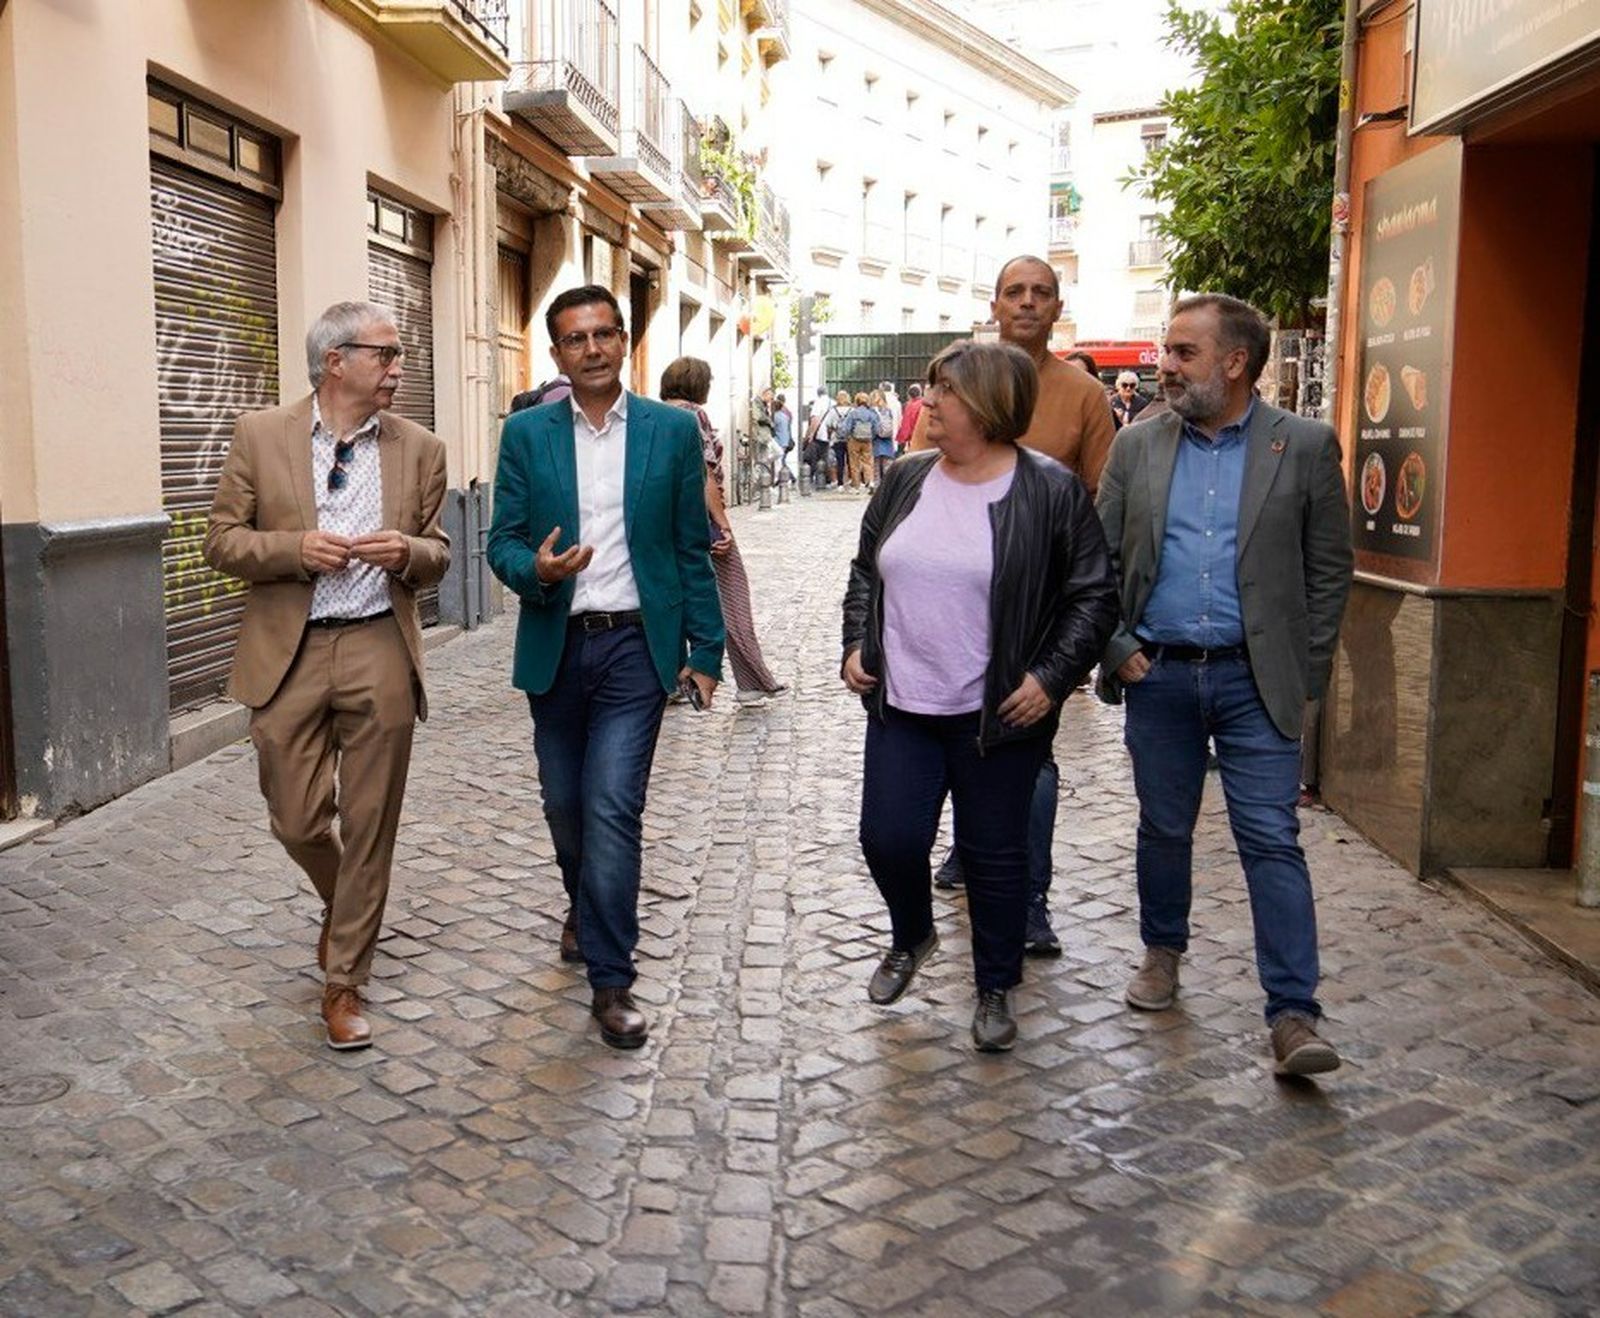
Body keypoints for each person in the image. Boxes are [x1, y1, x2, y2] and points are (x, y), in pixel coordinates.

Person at [1095, 293, 1353, 1077]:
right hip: (1160, 675)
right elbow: (1096, 562)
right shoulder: (1136, 447)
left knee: (1271, 837)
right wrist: (1117, 647)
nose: (1164, 366)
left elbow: (1328, 570)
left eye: (1183, 352)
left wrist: (1304, 674)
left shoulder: (1303, 446)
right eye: (1166, 351)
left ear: (1235, 363)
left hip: (1256, 681)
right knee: (1164, 827)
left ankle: (1293, 1014)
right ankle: (1161, 953)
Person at [842, 340, 1118, 1051]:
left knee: (994, 855)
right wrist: (855, 643)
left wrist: (1049, 678)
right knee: (887, 839)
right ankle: (913, 935)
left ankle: (995, 986)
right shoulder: (906, 479)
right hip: (903, 704)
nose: (928, 402)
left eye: (946, 392)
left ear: (990, 407)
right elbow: (867, 570)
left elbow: (1093, 596)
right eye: (932, 388)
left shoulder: (1050, 490)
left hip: (996, 714)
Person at [204, 301, 450, 1051]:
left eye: (398, 355)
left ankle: (344, 980)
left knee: (370, 822)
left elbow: (439, 552)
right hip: (290, 649)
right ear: (336, 360)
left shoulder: (421, 448)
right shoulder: (260, 435)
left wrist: (406, 552)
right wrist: (294, 550)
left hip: (379, 643)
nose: (398, 367)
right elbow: (221, 541)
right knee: (298, 819)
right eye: (385, 354)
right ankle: (346, 908)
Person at [486, 284, 724, 1050]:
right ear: (557, 353)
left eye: (604, 334)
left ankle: (612, 979)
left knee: (613, 806)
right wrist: (537, 570)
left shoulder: (669, 431)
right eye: (575, 338)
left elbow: (689, 546)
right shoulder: (527, 434)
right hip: (557, 645)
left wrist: (707, 650)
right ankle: (583, 904)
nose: (591, 349)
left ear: (624, 342)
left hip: (633, 648)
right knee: (566, 806)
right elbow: (501, 541)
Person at [912, 256, 1118, 954]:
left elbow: (1103, 497)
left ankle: (1029, 898)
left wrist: (1084, 618)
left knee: (1031, 756)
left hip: (1036, 613)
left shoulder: (1083, 395)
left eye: (1041, 293)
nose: (1027, 302)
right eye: (1015, 292)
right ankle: (969, 844)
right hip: (948, 607)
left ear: (1058, 308)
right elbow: (915, 478)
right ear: (995, 305)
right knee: (948, 736)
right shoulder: (955, 378)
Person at [661, 355, 786, 706]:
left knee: (672, 599)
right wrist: (722, 524)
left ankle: (670, 680)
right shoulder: (693, 415)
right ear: (697, 383)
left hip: (663, 521)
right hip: (698, 520)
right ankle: (752, 681)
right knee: (732, 595)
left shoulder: (654, 415)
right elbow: (704, 474)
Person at [842, 391, 878, 490]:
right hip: (867, 441)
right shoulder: (871, 413)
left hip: (854, 440)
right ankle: (869, 482)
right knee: (868, 462)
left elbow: (847, 428)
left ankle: (856, 485)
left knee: (854, 463)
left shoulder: (853, 413)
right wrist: (871, 436)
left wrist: (848, 437)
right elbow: (876, 428)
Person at [870, 388, 896, 485]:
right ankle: (887, 486)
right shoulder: (888, 410)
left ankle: (877, 487)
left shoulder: (872, 410)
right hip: (887, 440)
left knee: (875, 467)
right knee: (887, 467)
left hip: (875, 440)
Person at [830, 388, 853, 489]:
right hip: (849, 439)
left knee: (840, 461)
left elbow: (828, 424)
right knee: (850, 460)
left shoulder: (833, 411)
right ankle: (851, 480)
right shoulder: (852, 410)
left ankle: (840, 483)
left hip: (837, 438)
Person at [895, 383, 924, 454]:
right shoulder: (925, 404)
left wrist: (902, 438)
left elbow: (906, 424)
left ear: (909, 395)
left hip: (914, 437)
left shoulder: (910, 406)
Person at [773, 391, 794, 488]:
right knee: (782, 460)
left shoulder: (776, 416)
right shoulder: (787, 413)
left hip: (780, 441)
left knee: (780, 461)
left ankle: (785, 478)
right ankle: (789, 477)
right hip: (786, 439)